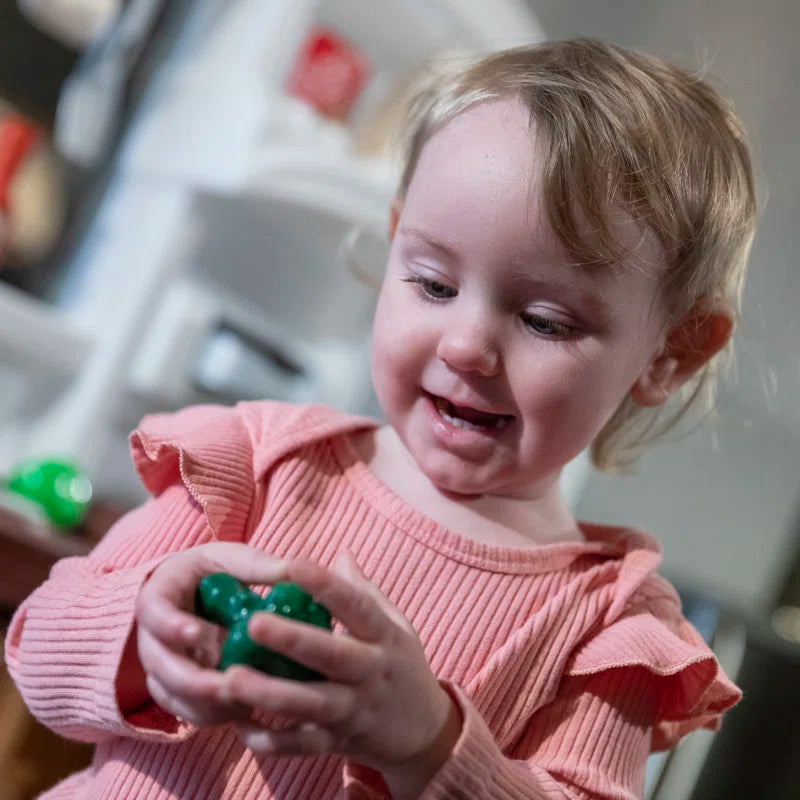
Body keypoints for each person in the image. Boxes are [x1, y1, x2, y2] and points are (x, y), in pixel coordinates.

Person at [5, 38, 757, 800]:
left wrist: (428, 743)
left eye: (545, 320)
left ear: (671, 353)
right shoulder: (256, 460)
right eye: (433, 284)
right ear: (395, 239)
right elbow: (36, 650)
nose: (466, 346)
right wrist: (142, 637)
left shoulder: (607, 630)